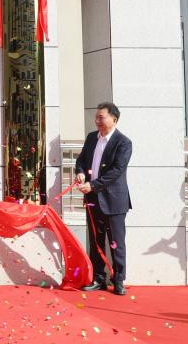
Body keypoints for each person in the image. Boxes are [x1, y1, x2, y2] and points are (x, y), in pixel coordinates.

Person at [75, 101, 132, 296]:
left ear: (114, 119)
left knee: (117, 243)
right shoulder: (92, 138)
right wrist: (81, 173)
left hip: (114, 200)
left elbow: (117, 170)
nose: (97, 121)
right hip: (93, 199)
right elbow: (81, 160)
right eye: (96, 117)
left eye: (101, 117)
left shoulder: (123, 142)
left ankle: (118, 280)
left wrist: (93, 184)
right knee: (96, 242)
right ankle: (98, 278)